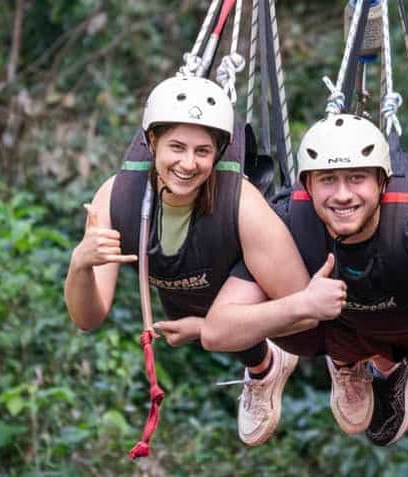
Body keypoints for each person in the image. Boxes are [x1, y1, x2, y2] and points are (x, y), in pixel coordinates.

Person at [64, 75, 342, 447]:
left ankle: (275, 362)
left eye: (202, 152)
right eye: (176, 147)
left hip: (244, 276)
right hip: (182, 285)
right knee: (193, 312)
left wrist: (211, 328)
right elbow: (87, 318)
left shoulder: (242, 204)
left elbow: (300, 309)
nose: (188, 164)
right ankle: (262, 366)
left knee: (227, 324)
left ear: (218, 154)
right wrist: (80, 264)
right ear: (151, 143)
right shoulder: (115, 199)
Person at [202, 113, 408, 446]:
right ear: (307, 185)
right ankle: (350, 363)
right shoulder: (288, 222)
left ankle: (393, 366)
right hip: (346, 326)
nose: (343, 195)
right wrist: (300, 304)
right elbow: (217, 330)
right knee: (294, 321)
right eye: (328, 179)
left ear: (382, 183)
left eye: (357, 178)